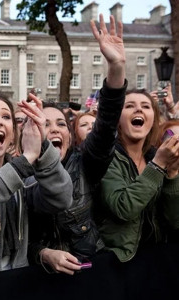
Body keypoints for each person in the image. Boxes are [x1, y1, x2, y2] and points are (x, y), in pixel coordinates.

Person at [27, 14, 127, 275]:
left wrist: (116, 67)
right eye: (44, 123)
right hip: (36, 280)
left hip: (90, 270)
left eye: (61, 124)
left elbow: (105, 125)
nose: (53, 129)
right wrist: (44, 253)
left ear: (70, 136)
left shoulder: (85, 165)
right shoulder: (17, 173)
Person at [0, 91, 73, 276]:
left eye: (6, 117)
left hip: (16, 282)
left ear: (13, 133)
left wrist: (41, 144)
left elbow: (61, 199)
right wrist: (26, 160)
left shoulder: (22, 176)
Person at [96, 87, 179, 262]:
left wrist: (172, 175)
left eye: (146, 106)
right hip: (118, 260)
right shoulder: (107, 158)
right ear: (118, 119)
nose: (139, 109)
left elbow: (174, 220)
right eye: (129, 106)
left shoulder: (155, 156)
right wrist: (158, 166)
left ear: (153, 120)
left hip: (157, 257)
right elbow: (123, 208)